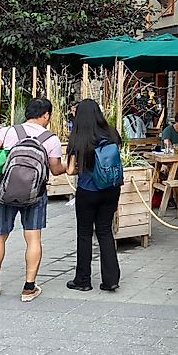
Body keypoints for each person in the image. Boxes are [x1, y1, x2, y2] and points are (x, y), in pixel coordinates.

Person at [0, 98, 66, 302]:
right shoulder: (50, 139)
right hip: (35, 194)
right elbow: (55, 169)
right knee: (33, 238)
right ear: (46, 115)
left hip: (5, 193)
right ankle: (29, 287)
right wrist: (71, 167)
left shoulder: (8, 132)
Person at [65, 99, 123, 292]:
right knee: (105, 231)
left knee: (84, 234)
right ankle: (111, 279)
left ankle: (83, 280)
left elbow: (71, 170)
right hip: (111, 189)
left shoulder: (79, 136)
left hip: (88, 191)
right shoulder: (112, 133)